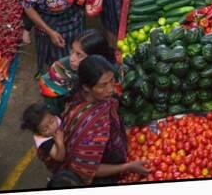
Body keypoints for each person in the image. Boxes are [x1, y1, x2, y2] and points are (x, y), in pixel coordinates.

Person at [59, 55, 150, 185]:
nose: (111, 89)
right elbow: (87, 169)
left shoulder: (95, 99)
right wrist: (127, 167)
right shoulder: (91, 125)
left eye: (112, 80)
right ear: (86, 87)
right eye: (103, 85)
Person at [39, 29, 114, 115]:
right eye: (72, 51)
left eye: (79, 55)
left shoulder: (108, 70)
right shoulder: (61, 69)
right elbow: (49, 97)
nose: (72, 58)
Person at [21, 102, 66, 173]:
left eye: (52, 121)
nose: (52, 128)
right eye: (45, 129)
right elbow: (60, 158)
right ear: (38, 133)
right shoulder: (46, 143)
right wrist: (60, 143)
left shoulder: (54, 115)